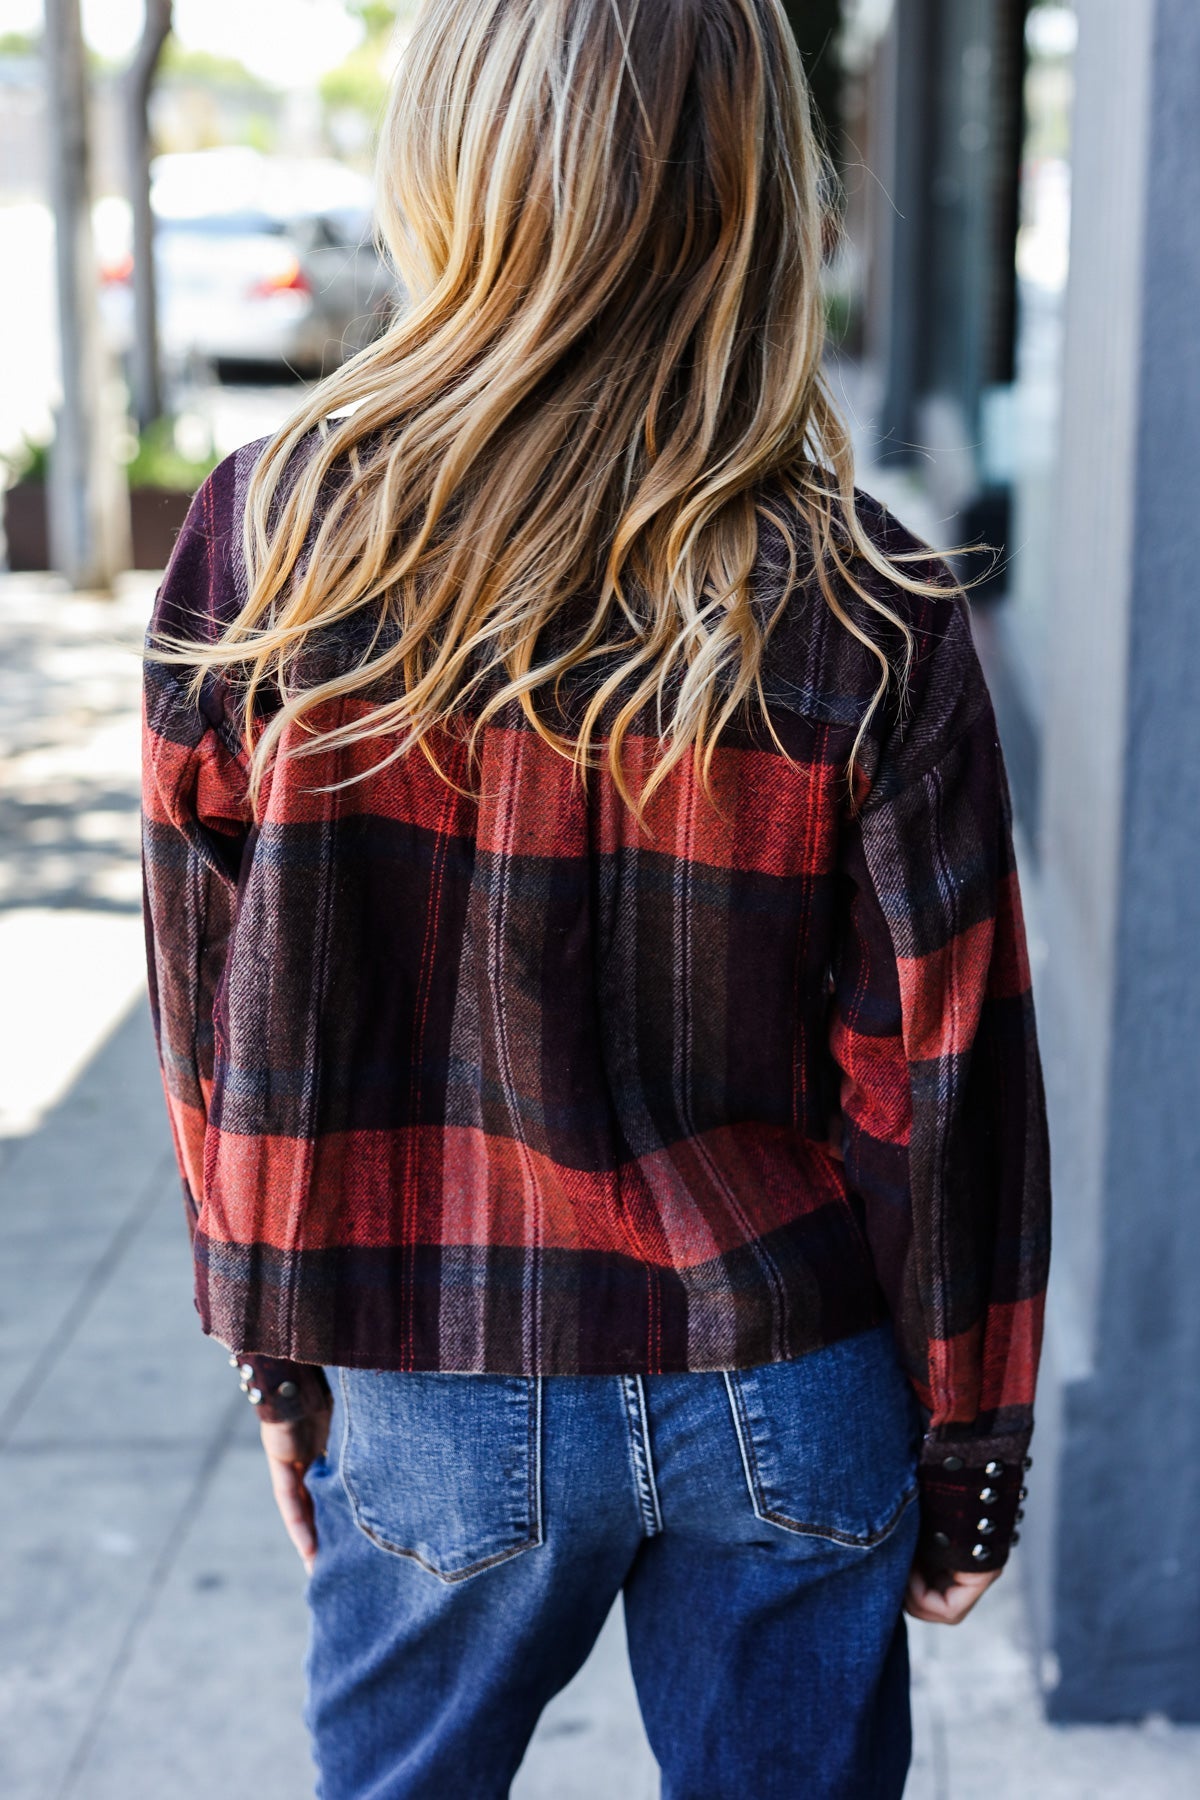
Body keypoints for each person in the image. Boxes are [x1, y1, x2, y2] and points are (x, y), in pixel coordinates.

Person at [141, 1, 1051, 1794]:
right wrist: (973, 1453)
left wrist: (273, 1354)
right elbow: (942, 1081)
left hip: (432, 1385)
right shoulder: (869, 602)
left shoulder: (269, 545)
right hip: (786, 1380)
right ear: (758, 194)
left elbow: (214, 1019)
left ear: (449, 162)